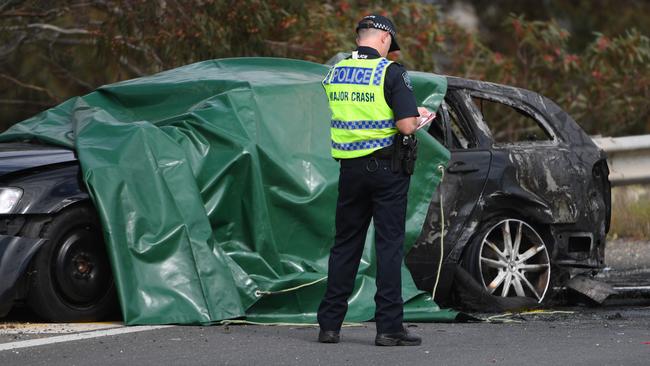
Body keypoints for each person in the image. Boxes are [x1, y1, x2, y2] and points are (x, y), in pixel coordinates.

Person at [317, 14, 431, 346]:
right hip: (387, 169)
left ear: (359, 38)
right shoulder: (390, 72)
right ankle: (388, 328)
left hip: (350, 169)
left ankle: (329, 325)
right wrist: (420, 115)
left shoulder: (334, 72)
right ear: (383, 39)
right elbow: (406, 125)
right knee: (389, 246)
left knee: (345, 245)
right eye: (389, 45)